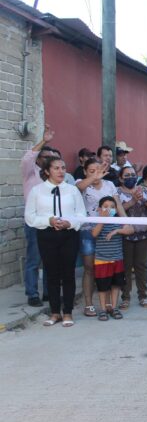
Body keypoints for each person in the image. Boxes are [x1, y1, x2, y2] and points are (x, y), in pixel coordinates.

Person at [24, 156, 86, 327]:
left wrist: (70, 222)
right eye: (56, 168)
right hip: (47, 235)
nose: (61, 171)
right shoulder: (37, 191)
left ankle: (67, 312)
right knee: (51, 274)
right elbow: (30, 217)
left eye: (63, 168)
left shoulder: (72, 190)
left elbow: (82, 215)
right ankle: (54, 312)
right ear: (47, 171)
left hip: (68, 235)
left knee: (68, 274)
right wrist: (48, 221)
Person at [76, 157, 126, 317]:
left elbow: (118, 205)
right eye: (91, 170)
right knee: (90, 267)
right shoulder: (81, 183)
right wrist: (93, 177)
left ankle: (110, 304)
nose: (97, 173)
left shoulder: (110, 185)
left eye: (99, 170)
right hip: (88, 230)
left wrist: (127, 223)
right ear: (85, 172)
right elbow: (78, 188)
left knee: (110, 265)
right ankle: (89, 304)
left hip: (108, 230)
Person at [21, 124, 57, 307]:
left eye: (51, 158)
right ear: (39, 158)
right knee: (34, 258)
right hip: (34, 221)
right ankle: (32, 293)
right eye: (45, 157)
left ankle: (48, 293)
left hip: (50, 221)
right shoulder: (30, 172)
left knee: (49, 258)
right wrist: (44, 141)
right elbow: (28, 157)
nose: (48, 160)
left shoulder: (53, 177)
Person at [116, 166, 147, 309]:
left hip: (143, 234)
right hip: (125, 235)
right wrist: (132, 201)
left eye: (132, 174)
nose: (130, 177)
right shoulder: (117, 192)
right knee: (126, 267)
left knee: (141, 266)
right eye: (126, 175)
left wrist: (142, 199)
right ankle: (125, 297)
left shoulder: (144, 190)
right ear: (121, 178)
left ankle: (142, 296)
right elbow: (116, 212)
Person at [91, 197, 134, 321]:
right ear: (99, 209)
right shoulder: (96, 221)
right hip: (101, 260)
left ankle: (114, 308)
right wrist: (103, 219)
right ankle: (103, 309)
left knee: (116, 285)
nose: (108, 209)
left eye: (112, 207)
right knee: (102, 286)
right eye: (105, 206)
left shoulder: (118, 221)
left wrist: (117, 231)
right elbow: (94, 234)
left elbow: (131, 229)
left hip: (117, 259)